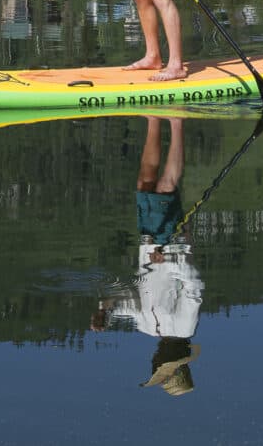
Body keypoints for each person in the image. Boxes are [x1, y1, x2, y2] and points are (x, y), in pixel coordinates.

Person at [93, 116, 204, 396]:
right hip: (171, 245)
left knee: (144, 182)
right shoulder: (184, 327)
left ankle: (153, 120)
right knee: (166, 187)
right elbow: (194, 288)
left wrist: (105, 314)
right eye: (159, 366)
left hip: (147, 244)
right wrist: (168, 259)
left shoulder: (146, 329)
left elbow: (129, 305)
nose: (153, 361)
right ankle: (177, 123)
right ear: (170, 362)